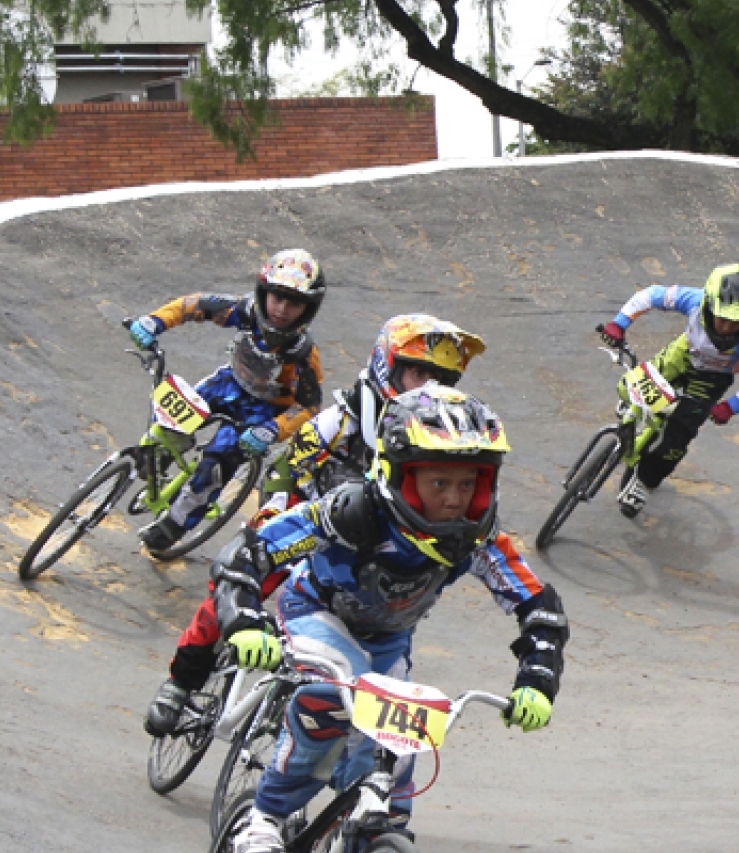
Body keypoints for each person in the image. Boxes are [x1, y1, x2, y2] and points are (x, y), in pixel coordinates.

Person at [216, 385, 567, 853]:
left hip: (388, 639)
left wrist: (537, 680)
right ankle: (264, 819)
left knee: (395, 767)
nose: (455, 499)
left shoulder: (478, 538)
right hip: (316, 612)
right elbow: (249, 553)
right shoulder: (351, 512)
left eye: (468, 484)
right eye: (439, 483)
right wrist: (244, 621)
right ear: (399, 475)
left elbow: (538, 605)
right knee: (334, 699)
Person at [143, 314, 486, 738]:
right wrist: (273, 517)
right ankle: (180, 683)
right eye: (419, 373)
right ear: (387, 367)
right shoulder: (340, 421)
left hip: (371, 545)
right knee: (236, 584)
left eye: (442, 379)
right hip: (306, 520)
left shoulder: (441, 435)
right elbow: (284, 472)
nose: (428, 387)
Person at [126, 249, 327, 554]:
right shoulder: (244, 311)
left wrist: (272, 430)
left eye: (294, 303)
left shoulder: (303, 354)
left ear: (308, 309)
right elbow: (194, 305)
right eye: (277, 298)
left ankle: (174, 525)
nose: (282, 309)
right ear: (263, 292)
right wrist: (155, 321)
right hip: (230, 383)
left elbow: (309, 407)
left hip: (265, 410)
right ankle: (161, 455)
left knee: (216, 461)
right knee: (172, 414)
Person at [595, 264, 739, 516]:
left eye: (735, 324)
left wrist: (730, 406)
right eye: (722, 319)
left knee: (677, 438)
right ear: (709, 305)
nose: (726, 329)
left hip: (711, 380)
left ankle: (645, 481)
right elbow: (650, 295)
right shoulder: (694, 299)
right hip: (682, 355)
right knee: (630, 386)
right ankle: (636, 406)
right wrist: (619, 323)